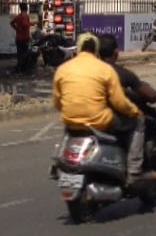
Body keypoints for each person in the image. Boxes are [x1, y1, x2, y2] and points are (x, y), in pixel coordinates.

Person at [53, 32, 146, 175]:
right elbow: (119, 102)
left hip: (71, 119)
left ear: (77, 48)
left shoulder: (63, 69)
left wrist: (67, 109)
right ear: (96, 50)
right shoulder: (105, 70)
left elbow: (58, 102)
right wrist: (134, 111)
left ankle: (59, 161)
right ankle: (133, 169)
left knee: (69, 126)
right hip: (98, 120)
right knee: (138, 122)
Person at [98, 34, 156, 179]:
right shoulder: (121, 73)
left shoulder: (91, 70)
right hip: (107, 117)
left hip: (88, 115)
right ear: (116, 52)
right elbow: (148, 93)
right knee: (138, 122)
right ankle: (134, 170)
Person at [11, 2, 35, 75]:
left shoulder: (18, 16)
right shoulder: (25, 16)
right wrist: (30, 24)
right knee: (25, 54)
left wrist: (17, 29)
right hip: (24, 37)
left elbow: (12, 23)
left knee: (19, 54)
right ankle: (24, 69)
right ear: (26, 8)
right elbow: (25, 24)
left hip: (18, 38)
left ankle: (19, 68)